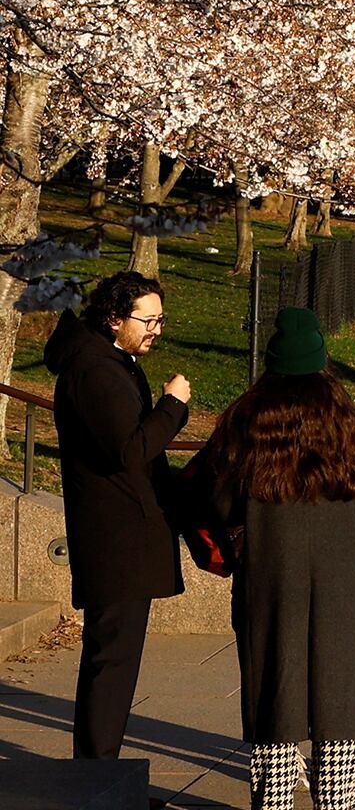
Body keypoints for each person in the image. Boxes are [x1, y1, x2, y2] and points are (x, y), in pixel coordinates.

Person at [191, 308, 355, 810]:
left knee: (273, 689)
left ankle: (273, 801)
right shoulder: (349, 423)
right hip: (339, 578)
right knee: (336, 699)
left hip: (270, 576)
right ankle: (335, 802)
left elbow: (215, 496)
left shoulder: (246, 422)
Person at [48, 271, 190, 761]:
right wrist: (173, 406)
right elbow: (130, 450)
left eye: (160, 319)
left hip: (122, 533)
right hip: (115, 538)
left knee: (115, 658)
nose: (156, 329)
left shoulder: (112, 362)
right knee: (112, 660)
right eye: (146, 320)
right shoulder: (96, 370)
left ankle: (100, 771)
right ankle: (97, 775)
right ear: (113, 318)